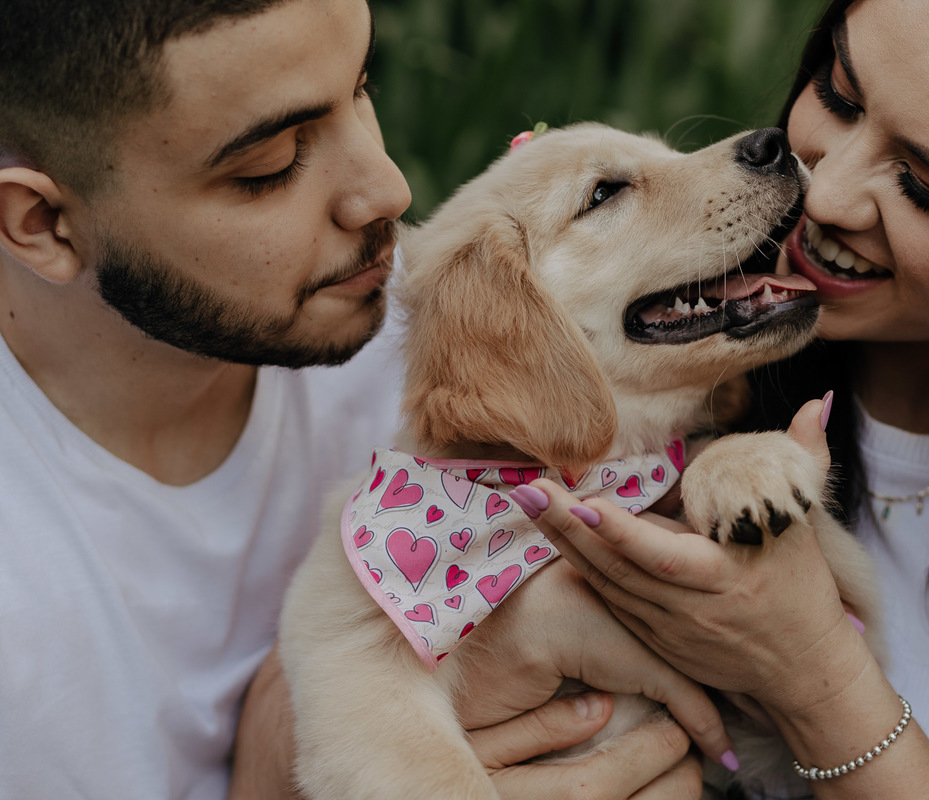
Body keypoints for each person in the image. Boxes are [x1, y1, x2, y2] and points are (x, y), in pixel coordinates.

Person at [0, 2, 718, 798]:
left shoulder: (452, 320)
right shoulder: (25, 609)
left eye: (362, 88)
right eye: (269, 165)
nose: (387, 189)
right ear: (43, 224)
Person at [519, 0, 929, 797]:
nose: (826, 193)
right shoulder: (662, 352)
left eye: (928, 186)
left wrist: (815, 679)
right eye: (838, 95)